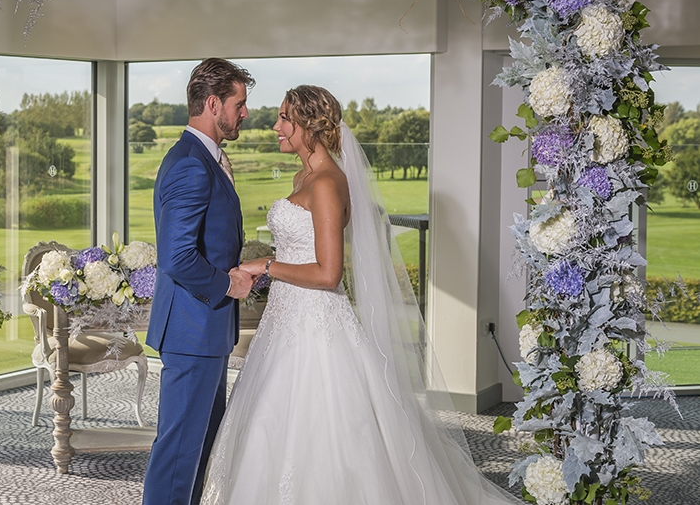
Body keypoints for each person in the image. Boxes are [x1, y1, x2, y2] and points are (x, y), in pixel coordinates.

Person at [200, 85, 523, 505]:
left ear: (309, 126)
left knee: (324, 433)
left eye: (284, 118)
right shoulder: (304, 176)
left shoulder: (328, 184)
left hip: (316, 325)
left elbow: (329, 273)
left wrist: (266, 266)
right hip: (285, 322)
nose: (276, 126)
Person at [142, 58, 257, 505]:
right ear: (213, 104)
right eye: (239, 103)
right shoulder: (191, 164)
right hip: (192, 330)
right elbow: (177, 257)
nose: (245, 113)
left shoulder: (204, 158)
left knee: (202, 447)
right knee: (178, 452)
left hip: (204, 331)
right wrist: (228, 286)